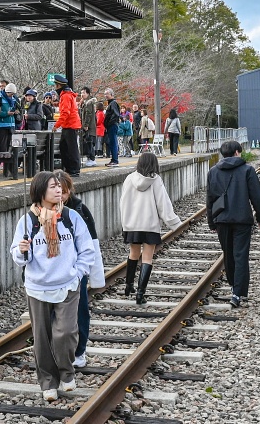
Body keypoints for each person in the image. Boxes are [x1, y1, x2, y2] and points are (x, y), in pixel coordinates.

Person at [10, 171, 97, 402]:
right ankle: (48, 382)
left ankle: (67, 373)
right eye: (53, 187)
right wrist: (22, 250)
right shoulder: (28, 220)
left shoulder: (70, 217)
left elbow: (87, 249)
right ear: (40, 191)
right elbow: (18, 257)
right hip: (38, 287)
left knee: (65, 332)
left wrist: (77, 274)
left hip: (67, 285)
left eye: (59, 186)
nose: (59, 190)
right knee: (41, 337)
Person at [206, 140, 260, 308]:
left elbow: (210, 200)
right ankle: (237, 293)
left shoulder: (213, 172)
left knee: (228, 253)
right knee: (240, 255)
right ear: (237, 153)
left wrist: (211, 222)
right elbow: (257, 197)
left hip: (222, 220)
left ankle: (234, 286)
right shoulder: (247, 170)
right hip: (242, 220)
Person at [119, 152, 183, 304]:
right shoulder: (155, 180)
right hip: (149, 225)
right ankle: (140, 294)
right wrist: (174, 223)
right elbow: (163, 204)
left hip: (132, 224)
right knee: (147, 257)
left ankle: (128, 286)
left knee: (133, 253)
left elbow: (123, 202)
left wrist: (125, 223)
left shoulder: (129, 178)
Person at [56, 171, 105, 369]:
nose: (61, 197)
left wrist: (92, 273)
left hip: (77, 270)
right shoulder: (42, 211)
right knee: (55, 313)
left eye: (64, 192)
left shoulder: (80, 210)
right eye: (57, 191)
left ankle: (79, 351)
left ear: (70, 191)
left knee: (80, 309)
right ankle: (58, 351)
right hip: (54, 271)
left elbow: (92, 243)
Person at [51, 75, 81, 176]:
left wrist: (56, 125)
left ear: (59, 85)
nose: (55, 88)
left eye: (56, 85)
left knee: (70, 148)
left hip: (70, 125)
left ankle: (73, 169)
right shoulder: (68, 94)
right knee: (65, 147)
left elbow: (65, 112)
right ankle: (70, 168)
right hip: (70, 124)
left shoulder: (65, 96)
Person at [0, 83, 20, 176]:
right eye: (11, 94)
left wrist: (15, 112)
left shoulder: (14, 99)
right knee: (1, 147)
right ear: (7, 91)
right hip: (2, 125)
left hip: (11, 125)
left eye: (13, 94)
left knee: (10, 148)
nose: (12, 96)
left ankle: (9, 168)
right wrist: (6, 113)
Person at [103, 89, 122, 166]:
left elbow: (115, 114)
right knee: (112, 142)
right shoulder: (111, 103)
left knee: (113, 142)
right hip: (111, 125)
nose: (105, 95)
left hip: (112, 125)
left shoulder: (113, 103)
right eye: (105, 94)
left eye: (107, 94)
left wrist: (109, 123)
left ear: (111, 94)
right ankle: (114, 159)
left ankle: (115, 160)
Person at [78, 89, 97, 167]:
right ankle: (90, 158)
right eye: (81, 93)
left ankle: (91, 159)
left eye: (84, 93)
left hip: (89, 127)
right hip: (89, 126)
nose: (82, 94)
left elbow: (88, 114)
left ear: (88, 93)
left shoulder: (89, 103)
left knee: (89, 142)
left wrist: (86, 125)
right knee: (88, 142)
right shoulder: (86, 102)